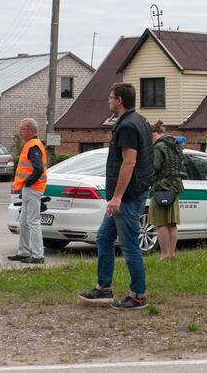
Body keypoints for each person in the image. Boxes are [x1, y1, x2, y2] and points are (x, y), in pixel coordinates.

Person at [79, 82, 154, 310]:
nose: (108, 101)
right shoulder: (138, 120)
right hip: (126, 195)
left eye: (111, 97)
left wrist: (117, 197)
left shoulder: (129, 126)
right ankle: (104, 289)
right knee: (103, 238)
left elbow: (129, 162)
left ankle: (138, 295)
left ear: (120, 100)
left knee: (130, 245)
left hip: (127, 197)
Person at [8, 118, 48, 264]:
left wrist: (28, 182)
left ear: (31, 130)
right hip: (28, 189)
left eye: (23, 128)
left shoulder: (33, 146)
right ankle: (23, 252)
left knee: (32, 221)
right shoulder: (31, 145)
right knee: (24, 222)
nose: (20, 131)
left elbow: (38, 169)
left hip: (32, 188)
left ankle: (38, 255)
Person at [149, 120, 184, 260]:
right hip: (174, 187)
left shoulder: (159, 147)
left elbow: (155, 167)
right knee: (172, 222)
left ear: (153, 134)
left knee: (161, 222)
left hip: (160, 187)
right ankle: (172, 254)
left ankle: (164, 255)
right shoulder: (174, 145)